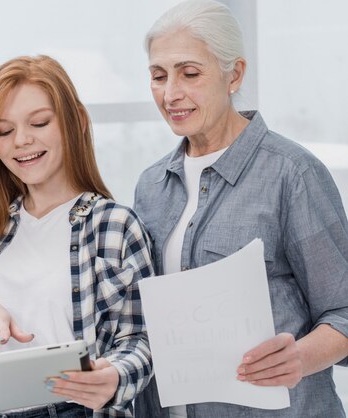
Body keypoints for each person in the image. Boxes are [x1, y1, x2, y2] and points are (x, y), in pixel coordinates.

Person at [133, 1, 348, 417]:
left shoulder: (293, 174)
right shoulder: (150, 186)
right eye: (159, 76)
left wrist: (299, 357)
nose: (171, 93)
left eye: (190, 73)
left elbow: (344, 311)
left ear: (235, 74)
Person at [0, 55, 154, 418]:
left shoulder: (114, 226)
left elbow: (141, 340)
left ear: (77, 121)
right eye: (3, 131)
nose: (22, 140)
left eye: (38, 122)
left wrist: (114, 376)